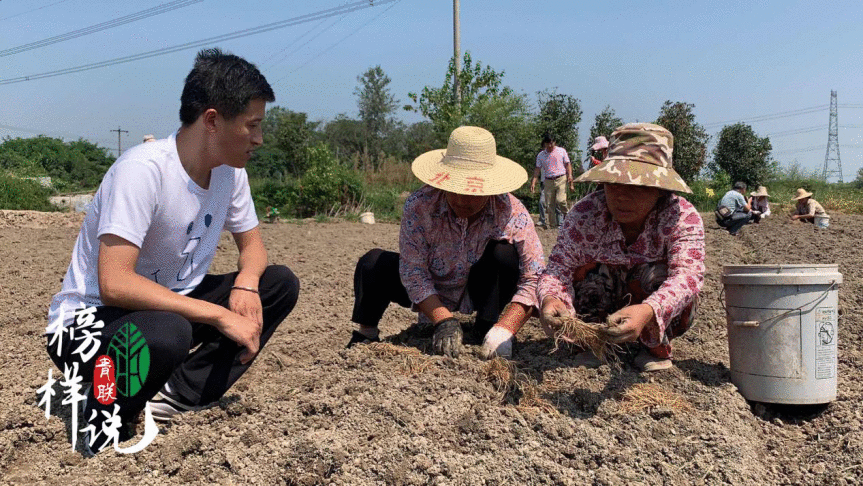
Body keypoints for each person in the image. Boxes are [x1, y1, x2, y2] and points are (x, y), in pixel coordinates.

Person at [45, 48, 300, 454]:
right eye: (252, 126)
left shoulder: (231, 174)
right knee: (167, 333)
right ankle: (103, 416)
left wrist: (248, 284)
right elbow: (114, 284)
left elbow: (253, 247)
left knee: (278, 284)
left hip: (166, 308)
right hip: (87, 325)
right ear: (213, 120)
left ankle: (171, 396)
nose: (259, 139)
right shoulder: (143, 171)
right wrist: (220, 315)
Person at [349, 126, 545, 360]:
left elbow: (534, 276)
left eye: (473, 192)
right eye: (455, 188)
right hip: (432, 283)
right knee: (373, 262)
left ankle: (486, 325)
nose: (463, 200)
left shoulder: (512, 211)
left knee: (504, 253)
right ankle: (366, 334)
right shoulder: (420, 204)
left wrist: (506, 327)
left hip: (479, 286)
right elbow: (413, 272)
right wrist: (443, 320)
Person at [537, 123, 705, 372]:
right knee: (586, 273)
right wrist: (551, 298)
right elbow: (559, 267)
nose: (622, 196)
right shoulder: (585, 214)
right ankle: (594, 343)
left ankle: (653, 346)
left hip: (649, 300)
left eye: (636, 187)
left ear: (660, 190)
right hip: (600, 302)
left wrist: (649, 310)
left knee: (658, 277)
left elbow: (688, 276)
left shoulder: (681, 216)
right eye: (614, 183)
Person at [530, 133, 573, 229]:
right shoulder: (541, 155)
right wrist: (533, 182)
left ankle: (568, 215)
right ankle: (553, 226)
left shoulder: (561, 151)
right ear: (544, 144)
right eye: (547, 144)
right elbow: (537, 169)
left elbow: (567, 164)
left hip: (561, 178)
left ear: (554, 142)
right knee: (549, 205)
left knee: (560, 200)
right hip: (548, 180)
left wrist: (570, 175)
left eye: (551, 143)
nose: (550, 146)